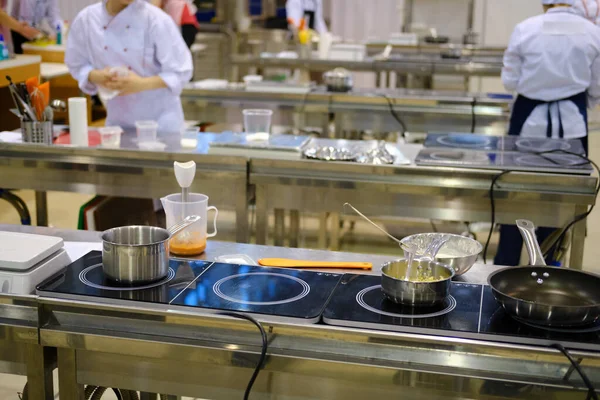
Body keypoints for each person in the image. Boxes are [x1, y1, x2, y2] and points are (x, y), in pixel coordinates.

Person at [495, 0, 600, 266]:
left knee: (515, 190)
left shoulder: (525, 28)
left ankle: (506, 261)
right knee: (563, 195)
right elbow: (597, 86)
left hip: (526, 118)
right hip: (572, 124)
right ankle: (550, 265)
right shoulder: (592, 32)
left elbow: (510, 81)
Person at [65, 0, 193, 134]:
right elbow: (76, 63)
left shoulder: (155, 19)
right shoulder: (87, 19)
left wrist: (140, 84)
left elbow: (181, 71)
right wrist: (96, 75)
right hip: (118, 122)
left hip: (161, 123)